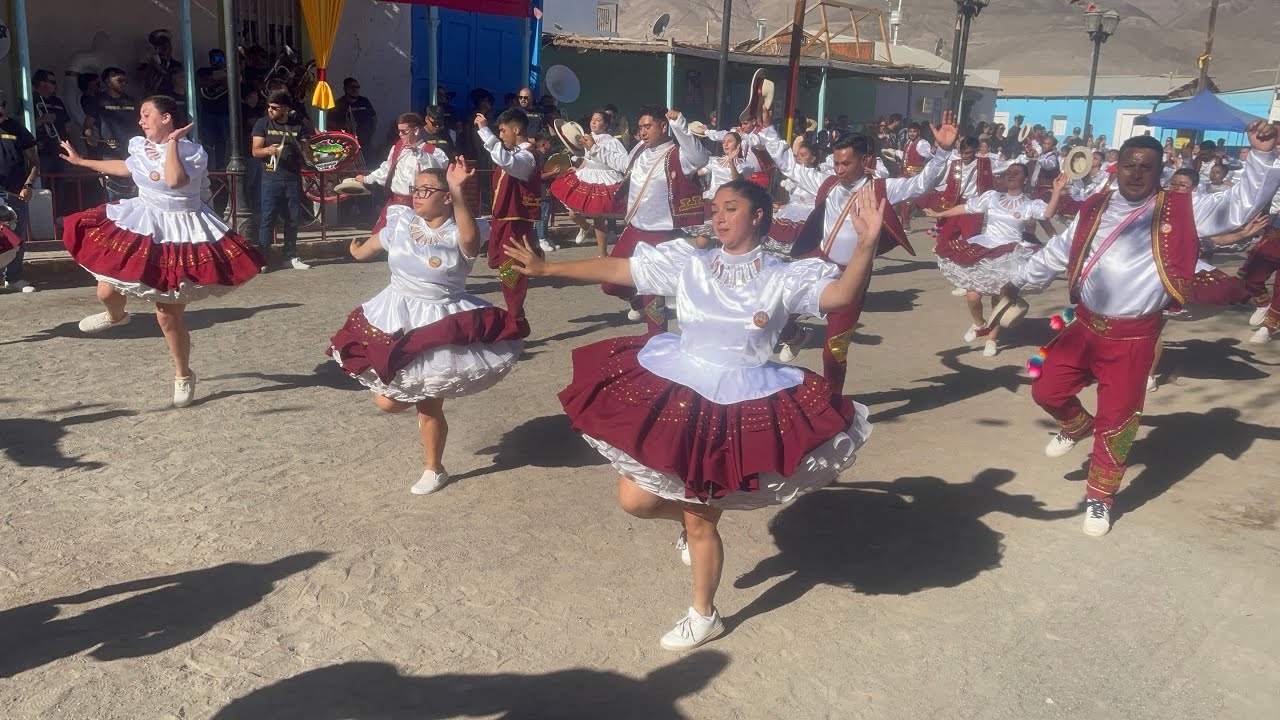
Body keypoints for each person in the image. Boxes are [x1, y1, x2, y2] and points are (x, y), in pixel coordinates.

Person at [502, 179, 883, 650]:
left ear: (758, 215)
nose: (720, 217)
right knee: (635, 500)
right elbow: (619, 266)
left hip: (738, 404)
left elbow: (842, 295)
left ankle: (704, 613)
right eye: (716, 208)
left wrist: (865, 245)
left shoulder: (785, 276)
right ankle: (691, 521)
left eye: (731, 208)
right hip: (677, 391)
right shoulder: (690, 263)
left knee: (702, 519)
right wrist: (548, 268)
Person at [999, 128, 1280, 536]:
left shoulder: (1181, 208)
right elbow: (1061, 248)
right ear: (1116, 169)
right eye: (1129, 165)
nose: (1136, 173)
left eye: (1146, 167)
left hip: (1133, 339)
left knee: (1117, 420)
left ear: (1159, 172)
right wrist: (1019, 279)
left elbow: (1236, 208)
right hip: (1084, 326)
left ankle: (1099, 498)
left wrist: (1260, 155)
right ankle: (1077, 426)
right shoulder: (1095, 206)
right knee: (1046, 389)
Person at [329, 164, 526, 495]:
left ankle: (434, 468)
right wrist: (357, 250)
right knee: (388, 403)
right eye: (415, 189)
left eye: (426, 190)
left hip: (440, 323)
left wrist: (460, 189)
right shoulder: (402, 221)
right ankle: (420, 416)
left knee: (428, 404)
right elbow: (371, 247)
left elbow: (470, 241)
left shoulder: (462, 230)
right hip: (393, 316)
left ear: (447, 198)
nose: (417, 195)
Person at [58, 95, 264, 406]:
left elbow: (173, 180)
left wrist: (171, 146)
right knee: (105, 291)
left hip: (182, 231)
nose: (141, 121)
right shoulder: (138, 145)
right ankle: (116, 317)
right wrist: (83, 161)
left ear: (167, 118)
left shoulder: (193, 152)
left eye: (146, 114)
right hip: (141, 220)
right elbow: (126, 168)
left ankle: (183, 374)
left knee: (167, 315)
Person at [758, 110, 958, 390]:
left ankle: (833, 404)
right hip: (815, 268)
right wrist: (768, 130)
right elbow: (789, 165)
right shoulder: (827, 184)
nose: (839, 170)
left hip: (852, 278)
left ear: (865, 161)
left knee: (834, 352)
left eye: (846, 164)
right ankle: (795, 336)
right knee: (770, 315)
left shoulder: (882, 189)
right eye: (837, 163)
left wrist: (943, 152)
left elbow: (922, 184)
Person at [575, 106, 709, 333]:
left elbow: (700, 157)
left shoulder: (678, 155)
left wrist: (681, 125)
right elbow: (622, 164)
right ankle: (639, 303)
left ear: (663, 127)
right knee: (610, 285)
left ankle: (656, 345)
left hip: (661, 236)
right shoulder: (639, 150)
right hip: (634, 230)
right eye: (641, 128)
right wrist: (594, 149)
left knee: (653, 296)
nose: (643, 133)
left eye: (648, 127)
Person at [926, 166, 1067, 356]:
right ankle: (979, 324)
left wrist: (1057, 191)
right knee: (972, 296)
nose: (1010, 175)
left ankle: (991, 339)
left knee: (999, 298)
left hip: (1009, 254)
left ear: (1025, 179)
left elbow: (1047, 214)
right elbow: (966, 208)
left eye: (1016, 173)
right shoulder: (992, 197)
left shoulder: (1029, 204)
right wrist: (940, 214)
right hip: (983, 249)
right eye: (1008, 172)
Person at [476, 107, 544, 318]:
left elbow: (507, 162)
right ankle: (515, 313)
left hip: (515, 223)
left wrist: (485, 131)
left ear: (516, 130)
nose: (500, 135)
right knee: (502, 266)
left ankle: (516, 317)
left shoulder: (527, 156)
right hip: (503, 219)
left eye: (503, 130)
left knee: (511, 269)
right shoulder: (513, 153)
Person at [551, 109, 625, 257]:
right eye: (592, 119)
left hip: (604, 177)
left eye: (598, 120)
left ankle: (602, 253)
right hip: (587, 175)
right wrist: (578, 168)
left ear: (605, 125)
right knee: (572, 212)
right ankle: (585, 226)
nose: (593, 122)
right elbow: (586, 159)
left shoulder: (612, 141)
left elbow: (622, 160)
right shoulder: (585, 138)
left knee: (599, 217)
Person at [358, 112, 448, 234]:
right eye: (399, 131)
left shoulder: (433, 152)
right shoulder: (397, 147)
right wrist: (366, 179)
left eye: (404, 131)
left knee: (412, 244)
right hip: (394, 204)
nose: (400, 134)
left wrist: (420, 154)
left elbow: (438, 169)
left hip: (419, 207)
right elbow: (386, 170)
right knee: (379, 239)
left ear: (416, 130)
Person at [251, 90, 310, 271]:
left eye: (275, 108)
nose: (270, 110)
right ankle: (263, 258)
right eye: (268, 107)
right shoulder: (263, 123)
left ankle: (290, 255)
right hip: (271, 178)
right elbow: (255, 151)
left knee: (292, 219)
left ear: (285, 109)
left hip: (292, 177)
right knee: (268, 218)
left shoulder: (297, 125)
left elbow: (307, 150)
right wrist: (267, 150)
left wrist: (306, 147)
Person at [0, 91, 40, 293]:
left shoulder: (15, 127)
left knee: (15, 237)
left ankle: (14, 278)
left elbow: (34, 162)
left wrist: (29, 185)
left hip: (15, 192)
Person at [85, 67, 142, 200]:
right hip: (109, 151)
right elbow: (88, 125)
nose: (124, 84)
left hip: (133, 151)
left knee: (135, 190)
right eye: (120, 81)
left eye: (126, 82)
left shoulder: (131, 100)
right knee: (113, 190)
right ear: (108, 82)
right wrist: (90, 136)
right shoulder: (98, 100)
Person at [697, 131, 758, 214]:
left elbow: (737, 182)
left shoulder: (746, 166)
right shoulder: (714, 161)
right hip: (711, 200)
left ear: (738, 144)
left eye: (729, 141)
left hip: (730, 204)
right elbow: (697, 173)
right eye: (723, 142)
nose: (726, 145)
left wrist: (731, 161)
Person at [329, 77, 378, 154]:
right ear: (345, 89)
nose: (355, 89)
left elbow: (374, 118)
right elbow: (329, 123)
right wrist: (344, 125)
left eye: (357, 87)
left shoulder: (364, 101)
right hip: (346, 144)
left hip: (365, 142)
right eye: (352, 87)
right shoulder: (338, 104)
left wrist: (370, 133)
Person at [138, 29, 183, 96]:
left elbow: (176, 82)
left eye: (166, 46)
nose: (164, 50)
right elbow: (143, 82)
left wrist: (159, 69)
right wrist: (152, 65)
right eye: (159, 47)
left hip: (170, 98)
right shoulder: (147, 65)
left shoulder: (177, 65)